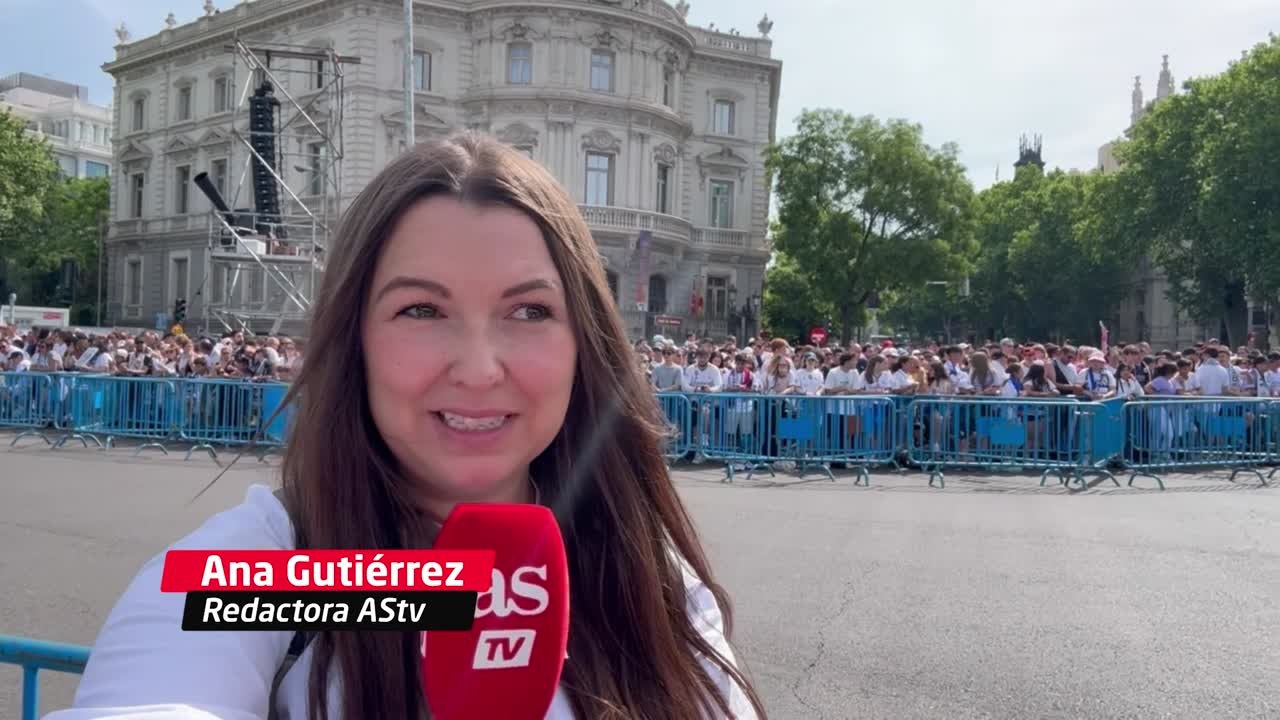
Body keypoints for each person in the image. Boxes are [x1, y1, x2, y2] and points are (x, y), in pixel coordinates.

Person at [49, 134, 765, 720]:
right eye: (421, 311)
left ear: (586, 344)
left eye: (529, 312)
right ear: (352, 339)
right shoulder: (267, 571)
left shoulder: (650, 577)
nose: (480, 369)